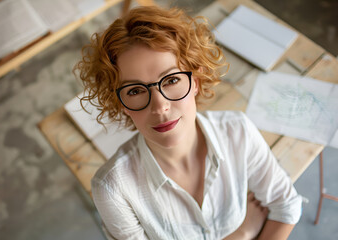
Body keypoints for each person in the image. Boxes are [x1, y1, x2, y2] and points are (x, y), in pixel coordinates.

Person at [74, 5, 302, 240]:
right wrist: (242, 234)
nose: (160, 106)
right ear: (120, 102)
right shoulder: (113, 189)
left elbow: (286, 206)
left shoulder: (237, 131)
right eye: (135, 91)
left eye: (172, 79)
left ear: (196, 80)